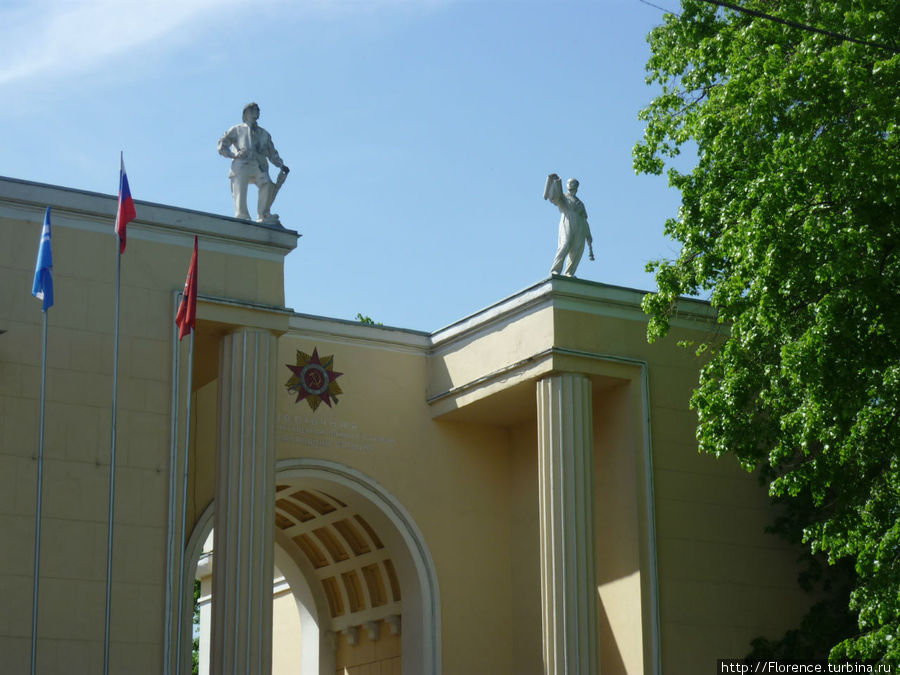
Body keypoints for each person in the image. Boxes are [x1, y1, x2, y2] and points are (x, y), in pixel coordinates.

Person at [217, 103, 289, 223]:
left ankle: (264, 215)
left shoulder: (264, 134)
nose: (257, 111)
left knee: (268, 184)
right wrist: (233, 155)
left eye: (258, 110)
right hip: (242, 163)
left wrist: (280, 165)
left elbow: (272, 153)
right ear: (246, 113)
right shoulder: (237, 129)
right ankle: (242, 214)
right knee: (240, 185)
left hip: (259, 164)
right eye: (253, 109)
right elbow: (222, 145)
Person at [544, 173, 594, 277]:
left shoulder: (580, 203)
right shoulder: (564, 197)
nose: (570, 184)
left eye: (572, 183)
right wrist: (556, 182)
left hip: (580, 226)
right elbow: (554, 197)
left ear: (576, 186)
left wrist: (588, 234)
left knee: (577, 250)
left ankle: (569, 273)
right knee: (565, 245)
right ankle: (555, 270)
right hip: (567, 220)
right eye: (568, 182)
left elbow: (584, 220)